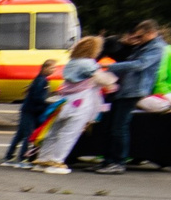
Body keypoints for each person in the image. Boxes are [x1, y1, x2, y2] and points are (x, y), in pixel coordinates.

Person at [31, 37, 114, 175]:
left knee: (54, 131)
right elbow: (103, 80)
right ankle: (57, 161)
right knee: (70, 133)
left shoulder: (72, 62)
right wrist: (112, 84)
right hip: (82, 101)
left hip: (65, 100)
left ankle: (43, 159)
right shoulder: (89, 63)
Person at [96, 21, 166, 174]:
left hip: (133, 90)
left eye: (140, 36)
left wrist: (109, 67)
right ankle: (108, 160)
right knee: (110, 126)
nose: (137, 38)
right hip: (123, 89)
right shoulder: (142, 45)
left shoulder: (156, 47)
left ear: (150, 33)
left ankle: (118, 162)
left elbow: (140, 64)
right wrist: (126, 43)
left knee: (119, 127)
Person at [1, 59, 59, 168]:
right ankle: (23, 159)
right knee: (28, 135)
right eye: (52, 68)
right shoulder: (42, 81)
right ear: (45, 68)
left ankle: (9, 156)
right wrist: (48, 103)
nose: (53, 70)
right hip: (31, 111)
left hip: (28, 110)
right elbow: (38, 98)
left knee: (20, 135)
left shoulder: (40, 80)